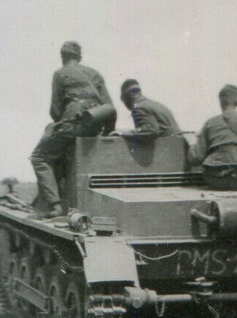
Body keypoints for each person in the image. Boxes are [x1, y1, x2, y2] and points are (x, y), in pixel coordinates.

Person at [30, 41, 114, 218]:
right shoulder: (95, 74)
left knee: (39, 156)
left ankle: (55, 204)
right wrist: (106, 132)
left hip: (73, 124)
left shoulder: (60, 74)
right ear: (79, 57)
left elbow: (55, 110)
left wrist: (60, 124)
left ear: (63, 57)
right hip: (94, 125)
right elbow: (109, 107)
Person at [115, 79, 181, 141]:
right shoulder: (156, 105)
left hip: (167, 148)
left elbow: (150, 130)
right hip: (177, 146)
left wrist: (122, 134)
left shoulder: (139, 108)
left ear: (127, 96)